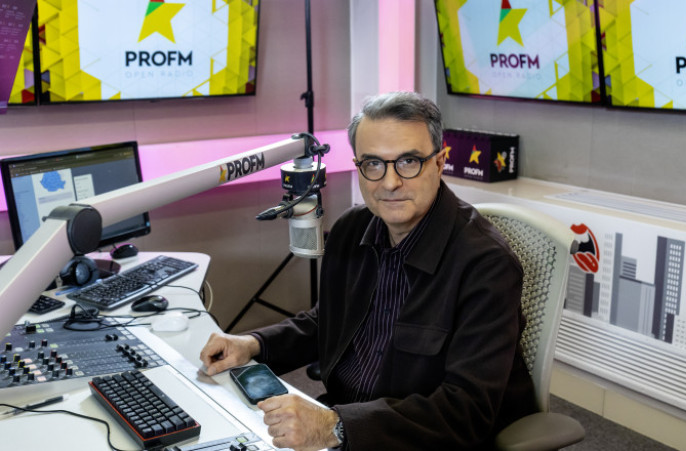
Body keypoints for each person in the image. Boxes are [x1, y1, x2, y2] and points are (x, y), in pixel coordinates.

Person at [200, 91, 535, 450]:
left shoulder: (486, 265)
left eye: (408, 162)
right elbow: (327, 322)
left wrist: (335, 427)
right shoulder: (351, 229)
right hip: (347, 422)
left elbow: (467, 411)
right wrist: (254, 344)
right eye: (373, 164)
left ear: (439, 163)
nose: (389, 183)